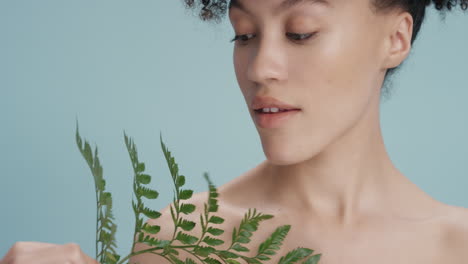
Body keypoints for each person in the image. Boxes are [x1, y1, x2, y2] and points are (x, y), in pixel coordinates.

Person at [2, 0, 467, 263]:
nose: (260, 68)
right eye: (244, 34)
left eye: (300, 32)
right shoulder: (179, 242)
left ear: (395, 39)